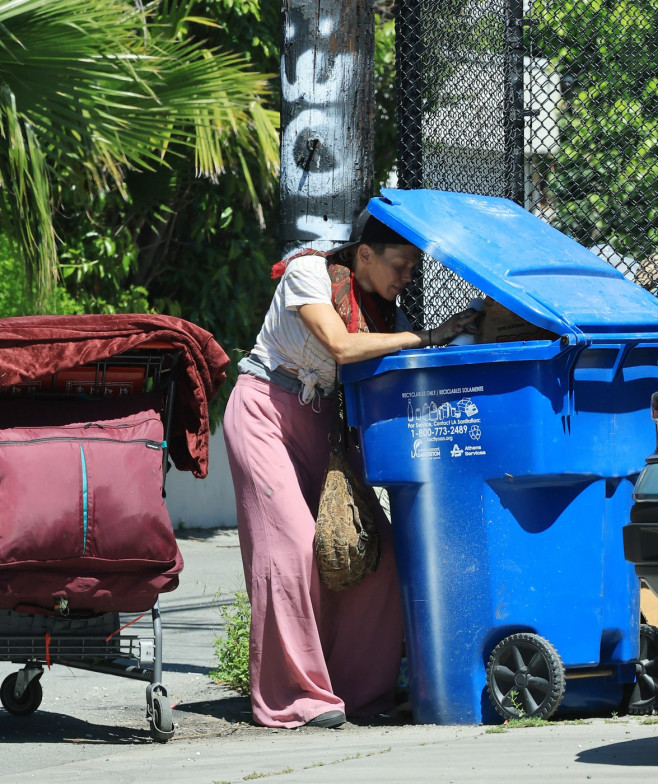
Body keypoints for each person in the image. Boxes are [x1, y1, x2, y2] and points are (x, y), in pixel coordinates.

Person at [223, 210, 479, 729]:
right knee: (292, 548)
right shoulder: (308, 271)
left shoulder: (385, 310)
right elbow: (341, 347)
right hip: (264, 408)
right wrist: (428, 337)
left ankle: (359, 695)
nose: (406, 279)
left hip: (324, 426)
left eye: (411, 270)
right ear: (364, 254)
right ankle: (293, 697)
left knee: (376, 555)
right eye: (401, 266)